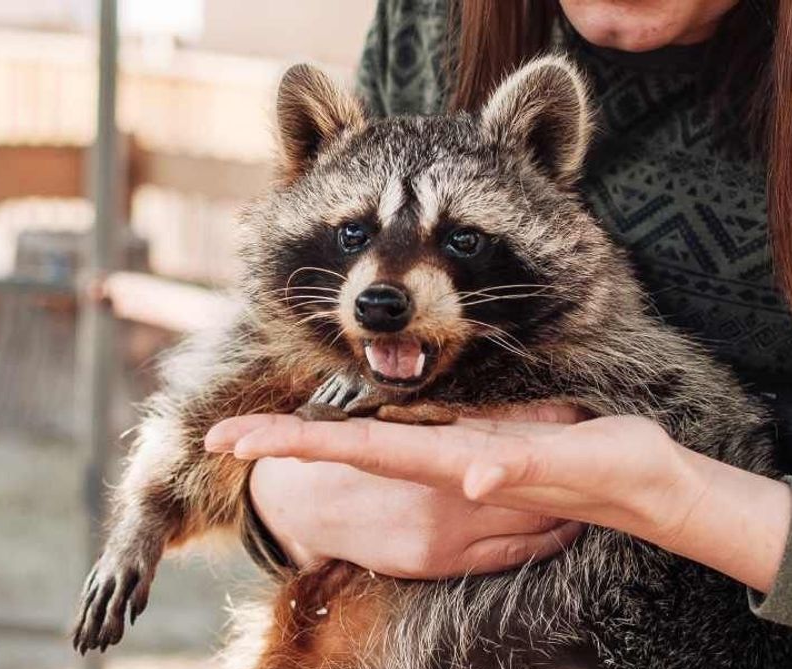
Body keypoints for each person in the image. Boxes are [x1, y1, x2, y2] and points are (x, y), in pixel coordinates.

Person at [204, 0, 792, 625]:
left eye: (461, 241)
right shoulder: (428, 18)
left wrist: (687, 504)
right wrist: (284, 505)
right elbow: (278, 356)